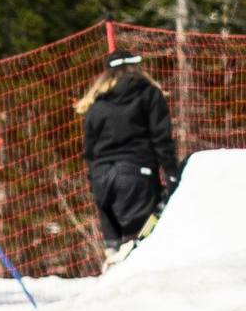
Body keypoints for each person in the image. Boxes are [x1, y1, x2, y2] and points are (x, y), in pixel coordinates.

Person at [76, 50, 177, 259]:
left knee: (115, 247)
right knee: (141, 244)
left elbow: (90, 150)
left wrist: (95, 182)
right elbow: (161, 137)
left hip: (102, 180)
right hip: (135, 175)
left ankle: (114, 258)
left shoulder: (96, 104)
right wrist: (172, 173)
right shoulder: (148, 93)